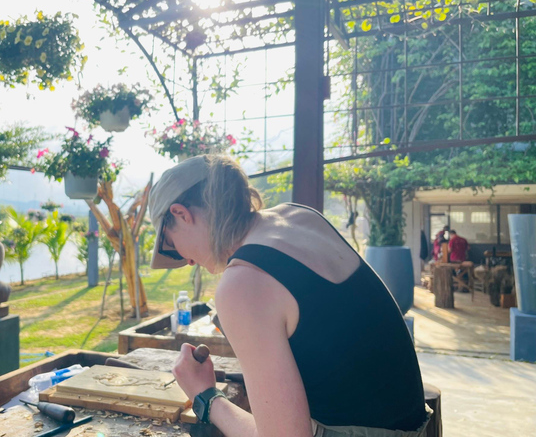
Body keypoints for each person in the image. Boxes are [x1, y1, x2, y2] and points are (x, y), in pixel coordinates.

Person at [150, 155, 431, 437]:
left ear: (181, 214)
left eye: (173, 247)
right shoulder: (301, 217)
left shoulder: (243, 282)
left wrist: (206, 396)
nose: (185, 260)